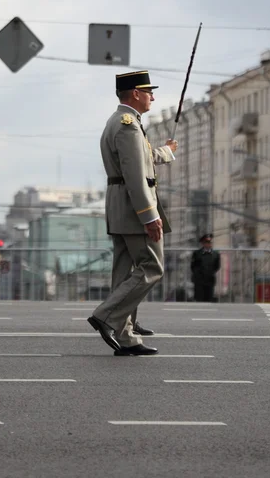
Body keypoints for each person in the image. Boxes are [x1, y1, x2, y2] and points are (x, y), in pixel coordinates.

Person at [87, 70, 178, 356]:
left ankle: (125, 335)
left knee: (125, 271)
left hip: (121, 207)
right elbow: (136, 176)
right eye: (149, 91)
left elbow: (144, 158)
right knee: (152, 267)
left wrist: (165, 151)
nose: (153, 95)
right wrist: (150, 216)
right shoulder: (128, 125)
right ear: (135, 93)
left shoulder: (123, 122)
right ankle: (106, 316)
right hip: (133, 207)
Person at [190, 234, 221, 302]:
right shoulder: (197, 253)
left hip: (210, 280)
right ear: (203, 243)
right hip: (199, 280)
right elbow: (193, 266)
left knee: (209, 299)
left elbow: (217, 266)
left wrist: (211, 272)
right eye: (207, 242)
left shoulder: (216, 254)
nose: (208, 244)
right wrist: (198, 274)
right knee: (199, 299)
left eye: (210, 242)